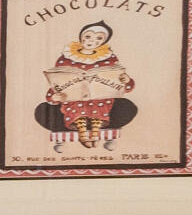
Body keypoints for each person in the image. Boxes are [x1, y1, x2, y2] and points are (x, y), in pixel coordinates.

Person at [37, 20, 138, 153]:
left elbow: (120, 83)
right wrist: (53, 96)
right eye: (88, 36)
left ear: (103, 41)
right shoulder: (66, 57)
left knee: (106, 102)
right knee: (70, 103)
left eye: (99, 38)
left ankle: (96, 128)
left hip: (100, 98)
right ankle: (81, 129)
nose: (92, 40)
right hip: (73, 98)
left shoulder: (109, 57)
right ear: (81, 37)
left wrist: (126, 80)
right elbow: (58, 81)